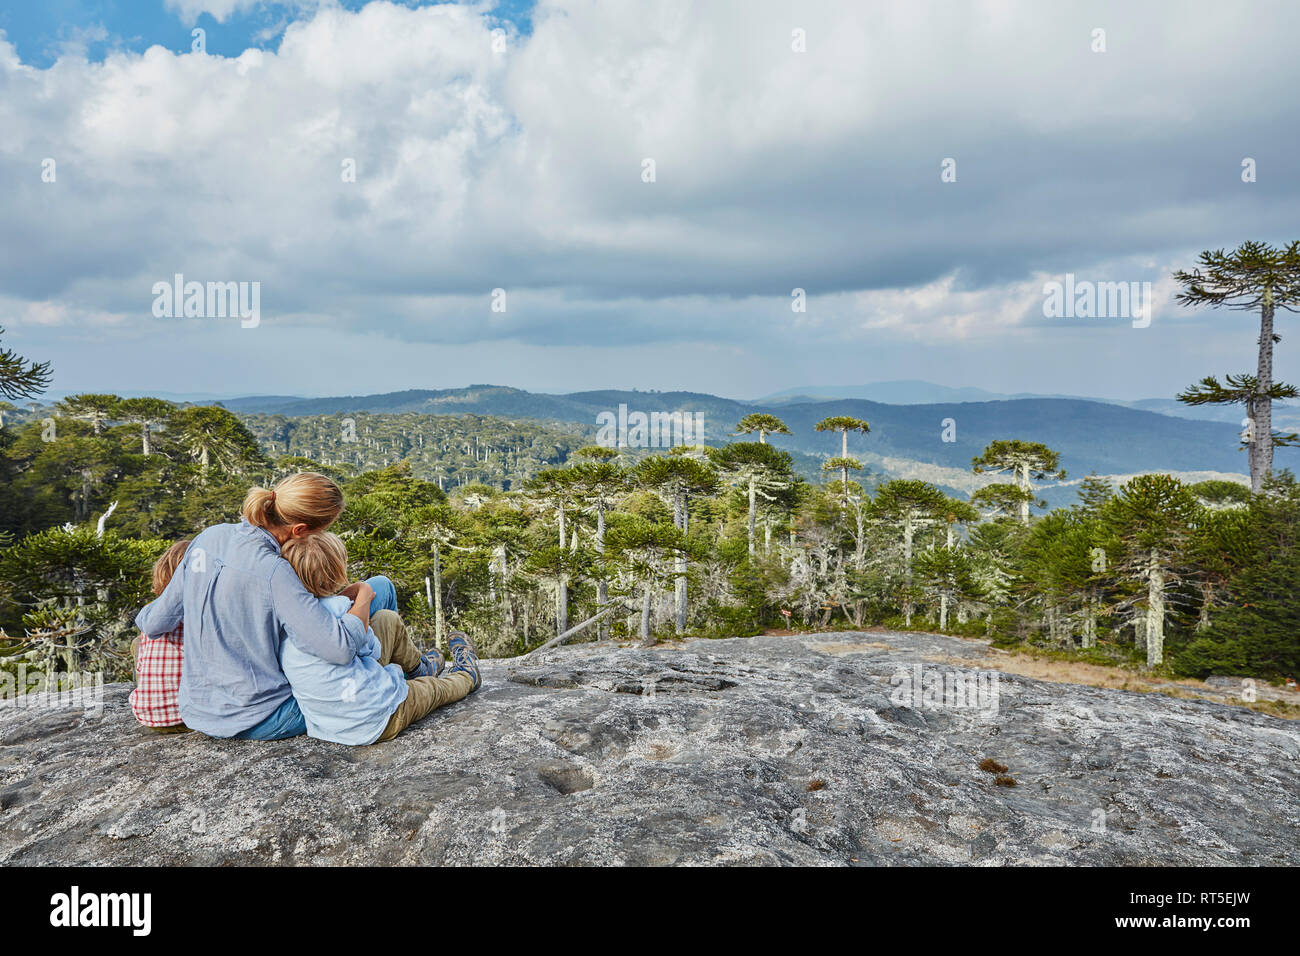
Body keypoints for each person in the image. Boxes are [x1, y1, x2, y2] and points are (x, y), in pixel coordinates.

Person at [134, 472, 372, 740]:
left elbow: (153, 623)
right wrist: (364, 595)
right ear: (300, 531)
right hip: (263, 716)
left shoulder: (208, 539)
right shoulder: (274, 571)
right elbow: (338, 649)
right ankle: (399, 682)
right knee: (380, 591)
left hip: (198, 712)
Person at [278, 532, 480, 744]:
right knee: (434, 689)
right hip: (377, 717)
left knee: (386, 618)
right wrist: (362, 596)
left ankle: (419, 668)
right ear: (336, 572)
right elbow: (373, 650)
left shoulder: (287, 619)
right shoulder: (342, 609)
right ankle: (467, 676)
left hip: (329, 725)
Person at [129, 538, 191, 732]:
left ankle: (149, 692)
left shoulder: (151, 610)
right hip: (188, 717)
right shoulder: (198, 611)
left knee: (138, 643)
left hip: (148, 717)